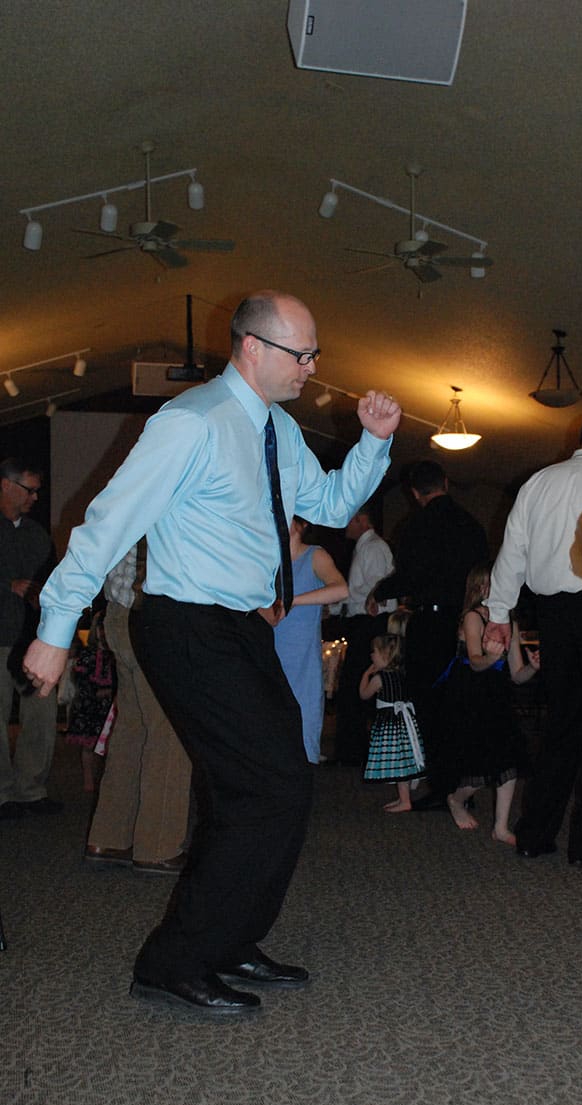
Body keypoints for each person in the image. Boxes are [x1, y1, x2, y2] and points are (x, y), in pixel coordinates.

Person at [23, 289, 400, 1017]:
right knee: (269, 786)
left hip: (241, 628)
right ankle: (174, 961)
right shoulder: (189, 421)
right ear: (253, 348)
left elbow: (324, 505)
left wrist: (374, 443)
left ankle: (229, 939)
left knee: (271, 784)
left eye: (315, 353)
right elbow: (107, 520)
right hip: (185, 623)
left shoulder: (276, 430)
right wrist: (54, 624)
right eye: (303, 354)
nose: (313, 367)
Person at [486, 411, 582, 865]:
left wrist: (499, 613)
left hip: (552, 614)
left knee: (560, 724)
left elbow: (512, 551)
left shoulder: (538, 483)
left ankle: (535, 834)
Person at [369, 461, 488, 800]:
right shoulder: (470, 524)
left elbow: (407, 575)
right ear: (446, 482)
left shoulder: (414, 525)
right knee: (461, 702)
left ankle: (440, 783)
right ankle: (464, 780)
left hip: (430, 622)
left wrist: (379, 593)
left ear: (415, 493)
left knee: (429, 703)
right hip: (467, 622)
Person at [84, 542, 194, 875]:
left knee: (131, 728)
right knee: (169, 732)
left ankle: (109, 837)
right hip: (153, 617)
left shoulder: (123, 490)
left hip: (118, 614)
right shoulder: (166, 492)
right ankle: (157, 846)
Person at [434, 562, 539, 843]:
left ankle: (501, 827)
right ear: (482, 587)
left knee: (509, 760)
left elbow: (516, 674)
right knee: (479, 764)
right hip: (469, 694)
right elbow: (475, 661)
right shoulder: (473, 618)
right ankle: (455, 800)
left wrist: (533, 667)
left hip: (497, 695)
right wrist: (493, 658)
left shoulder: (511, 622)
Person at [0, 459, 58, 820]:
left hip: (32, 639)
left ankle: (31, 790)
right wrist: (7, 587)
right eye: (28, 489)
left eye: (37, 490)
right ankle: (2, 793)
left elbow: (52, 576)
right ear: (5, 485)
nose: (34, 497)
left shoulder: (37, 533)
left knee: (40, 713)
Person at [273, 516, 348, 763]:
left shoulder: (315, 555)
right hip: (270, 650)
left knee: (301, 723)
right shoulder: (270, 559)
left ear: (302, 524)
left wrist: (294, 600)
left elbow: (340, 589)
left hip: (300, 655)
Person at [331, 503, 395, 766]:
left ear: (362, 519)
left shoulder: (374, 548)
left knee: (356, 686)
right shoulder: (367, 548)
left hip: (370, 624)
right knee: (354, 687)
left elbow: (375, 590)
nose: (345, 524)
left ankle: (354, 753)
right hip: (364, 623)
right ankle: (353, 751)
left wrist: (337, 601)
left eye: (349, 519)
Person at [360, 634, 425, 812]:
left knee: (398, 760)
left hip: (390, 724)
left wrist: (366, 674)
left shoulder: (379, 678)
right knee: (403, 759)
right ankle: (403, 797)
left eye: (374, 652)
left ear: (383, 655)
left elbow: (364, 694)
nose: (371, 656)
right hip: (405, 722)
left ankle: (405, 801)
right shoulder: (401, 674)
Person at [65, 610, 115, 794]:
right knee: (88, 745)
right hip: (89, 704)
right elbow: (81, 678)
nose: (103, 633)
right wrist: (94, 692)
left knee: (106, 744)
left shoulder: (114, 656)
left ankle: (104, 777)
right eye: (100, 628)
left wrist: (111, 691)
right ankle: (88, 778)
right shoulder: (88, 655)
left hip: (107, 706)